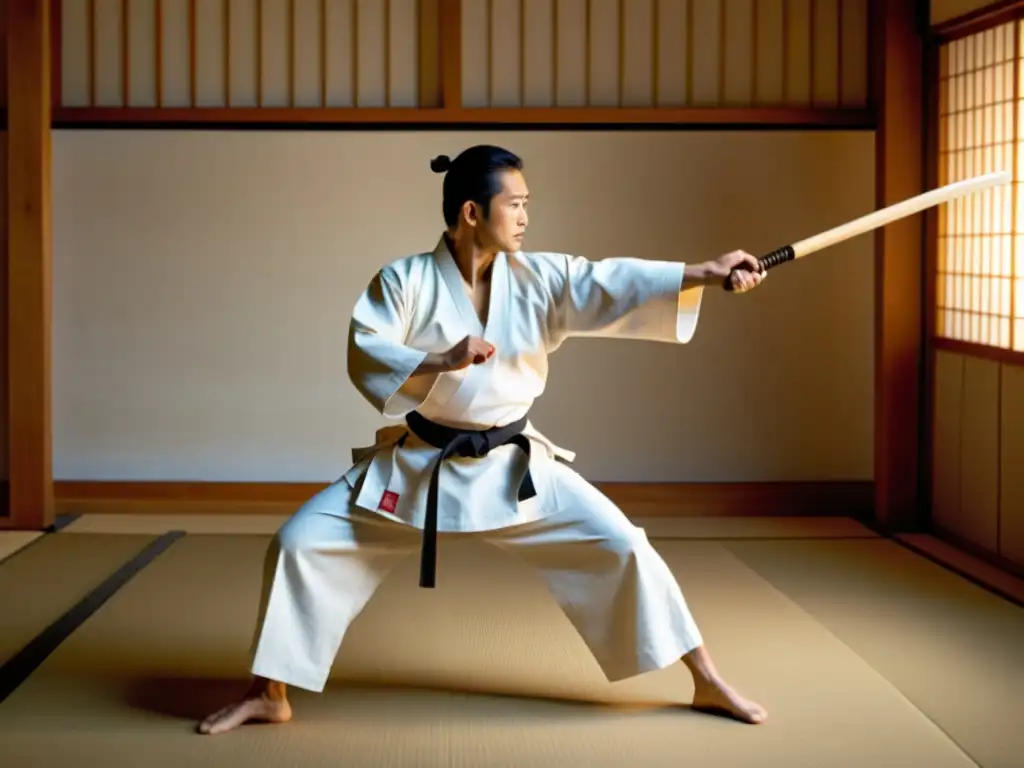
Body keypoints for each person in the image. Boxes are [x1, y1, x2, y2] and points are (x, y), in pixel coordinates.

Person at [198, 144, 768, 735]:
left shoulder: (540, 276)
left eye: (527, 204)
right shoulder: (405, 280)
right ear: (472, 212)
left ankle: (706, 680)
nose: (525, 216)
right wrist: (441, 358)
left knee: (623, 544)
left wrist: (704, 271)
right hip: (421, 465)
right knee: (300, 543)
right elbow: (367, 347)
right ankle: (269, 692)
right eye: (514, 204)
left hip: (513, 467)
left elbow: (609, 282)